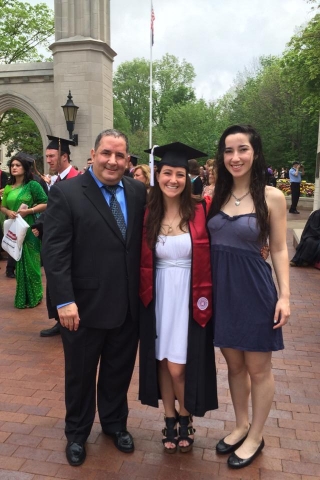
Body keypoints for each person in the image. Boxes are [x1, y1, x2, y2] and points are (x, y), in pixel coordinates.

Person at [41, 128, 146, 467]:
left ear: (127, 160)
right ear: (94, 153)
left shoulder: (137, 191)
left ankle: (115, 424)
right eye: (107, 153)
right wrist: (63, 301)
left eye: (120, 155)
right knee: (81, 375)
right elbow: (54, 252)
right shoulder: (67, 193)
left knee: (118, 371)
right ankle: (77, 433)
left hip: (127, 306)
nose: (113, 161)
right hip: (82, 308)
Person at [207, 124, 290, 469]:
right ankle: (241, 424)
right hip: (221, 292)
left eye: (242, 149)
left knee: (258, 368)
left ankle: (256, 434)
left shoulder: (271, 197)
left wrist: (285, 296)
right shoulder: (214, 194)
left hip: (256, 292)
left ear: (255, 153)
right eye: (228, 150)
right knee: (234, 365)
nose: (235, 157)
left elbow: (281, 249)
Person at [139, 142, 218, 454]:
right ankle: (171, 420)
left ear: (188, 178)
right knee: (161, 358)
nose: (173, 179)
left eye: (180, 174)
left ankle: (186, 415)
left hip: (189, 295)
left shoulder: (202, 210)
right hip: (157, 294)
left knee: (179, 366)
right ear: (158, 175)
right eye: (167, 173)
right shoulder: (148, 213)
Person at [38, 136, 80, 338]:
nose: (48, 160)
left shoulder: (74, 179)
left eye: (52, 156)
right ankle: (58, 319)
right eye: (46, 156)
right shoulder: (57, 180)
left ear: (64, 156)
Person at [0, 153, 47, 308]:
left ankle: (36, 296)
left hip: (29, 227)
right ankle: (22, 297)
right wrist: (7, 212)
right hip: (14, 228)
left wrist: (30, 211)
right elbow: (3, 206)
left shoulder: (32, 185)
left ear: (24, 168)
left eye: (17, 165)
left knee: (32, 263)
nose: (14, 167)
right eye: (12, 165)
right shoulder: (8, 187)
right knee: (19, 263)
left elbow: (45, 202)